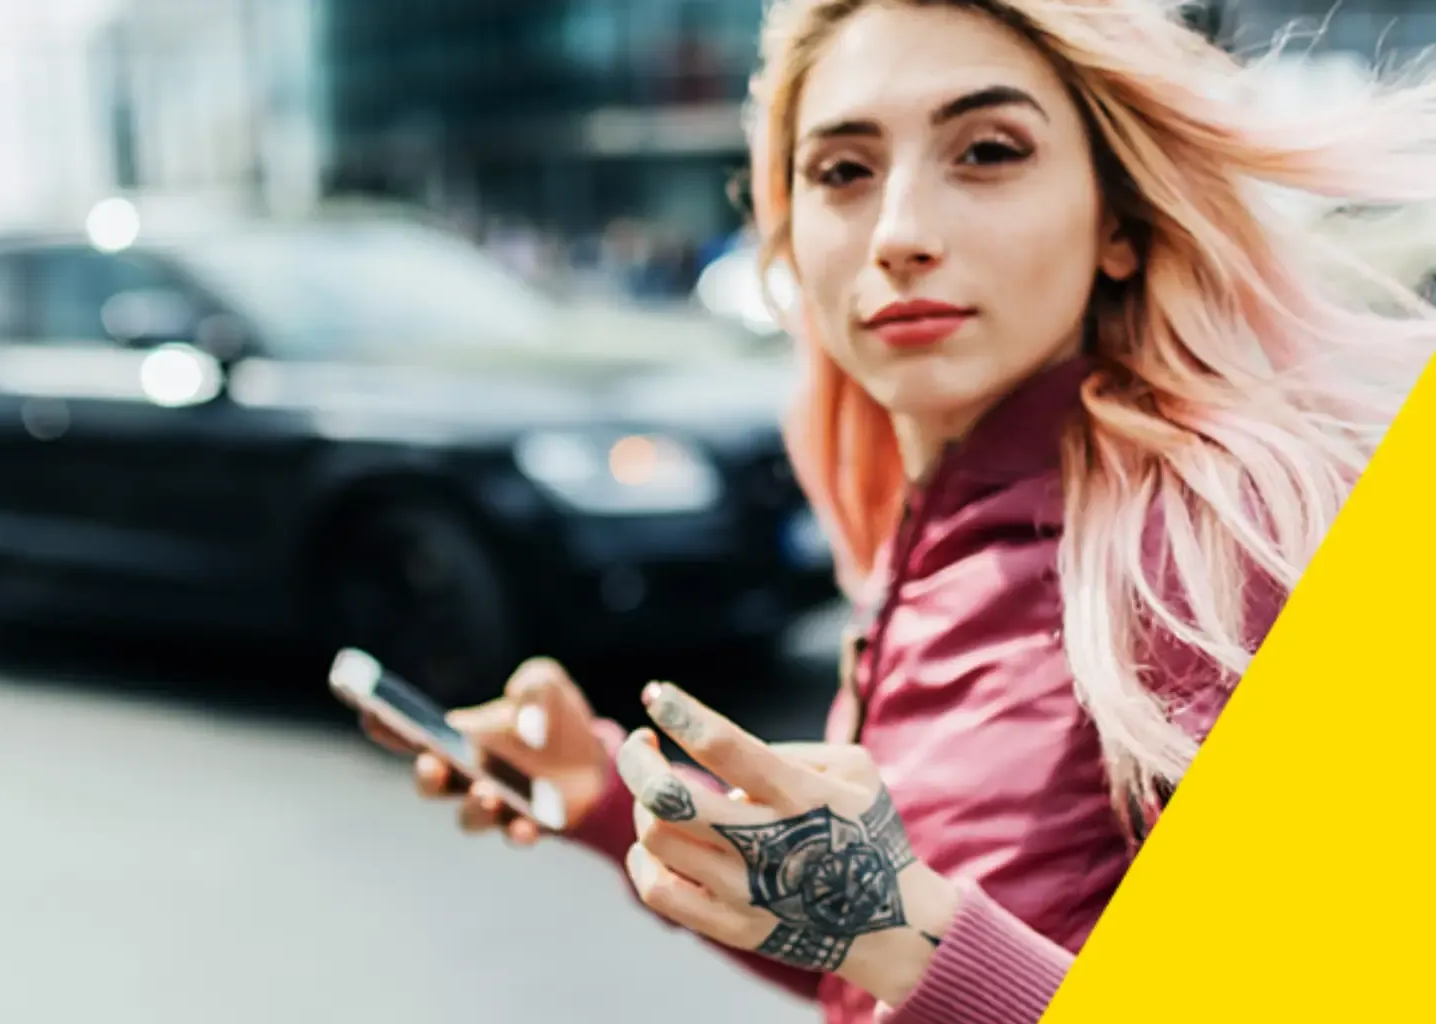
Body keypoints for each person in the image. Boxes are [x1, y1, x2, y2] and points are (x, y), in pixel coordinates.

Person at [359, 1, 1436, 1022]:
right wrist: (601, 792)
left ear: (1116, 220)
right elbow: (879, 968)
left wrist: (899, 923)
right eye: (841, 171)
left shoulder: (1222, 537)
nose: (900, 231)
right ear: (789, 237)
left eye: (986, 152)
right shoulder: (939, 529)